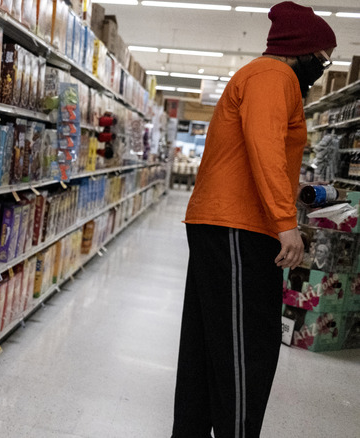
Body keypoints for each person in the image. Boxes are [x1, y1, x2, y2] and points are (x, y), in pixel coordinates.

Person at [172, 2, 337, 437]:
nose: (322, 67)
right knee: (246, 348)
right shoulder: (273, 76)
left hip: (226, 222)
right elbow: (264, 147)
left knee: (208, 345)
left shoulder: (266, 77)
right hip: (239, 225)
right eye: (322, 58)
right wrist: (286, 223)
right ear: (301, 50)